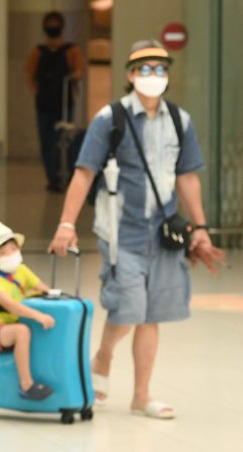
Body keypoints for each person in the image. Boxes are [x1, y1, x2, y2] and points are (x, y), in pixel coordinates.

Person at [47, 39, 225, 419]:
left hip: (165, 236)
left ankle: (141, 396)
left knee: (151, 315)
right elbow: (84, 173)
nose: (153, 76)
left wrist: (202, 229)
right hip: (121, 234)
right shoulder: (110, 119)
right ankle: (103, 358)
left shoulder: (180, 120)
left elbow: (188, 178)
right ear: (130, 75)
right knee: (128, 310)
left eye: (160, 69)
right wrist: (66, 224)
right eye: (144, 69)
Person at [0, 220, 55, 400]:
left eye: (13, 249)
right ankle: (26, 385)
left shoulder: (22, 270)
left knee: (27, 329)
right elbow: (11, 306)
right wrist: (38, 315)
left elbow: (44, 289)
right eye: (3, 253)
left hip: (8, 325)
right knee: (22, 332)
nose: (10, 254)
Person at [25, 11, 84, 192]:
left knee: (63, 140)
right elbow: (29, 73)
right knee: (46, 142)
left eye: (55, 23)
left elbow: (79, 71)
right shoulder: (38, 51)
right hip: (44, 103)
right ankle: (52, 176)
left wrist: (71, 77)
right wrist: (35, 90)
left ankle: (64, 173)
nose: (52, 27)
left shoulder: (71, 50)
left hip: (64, 102)